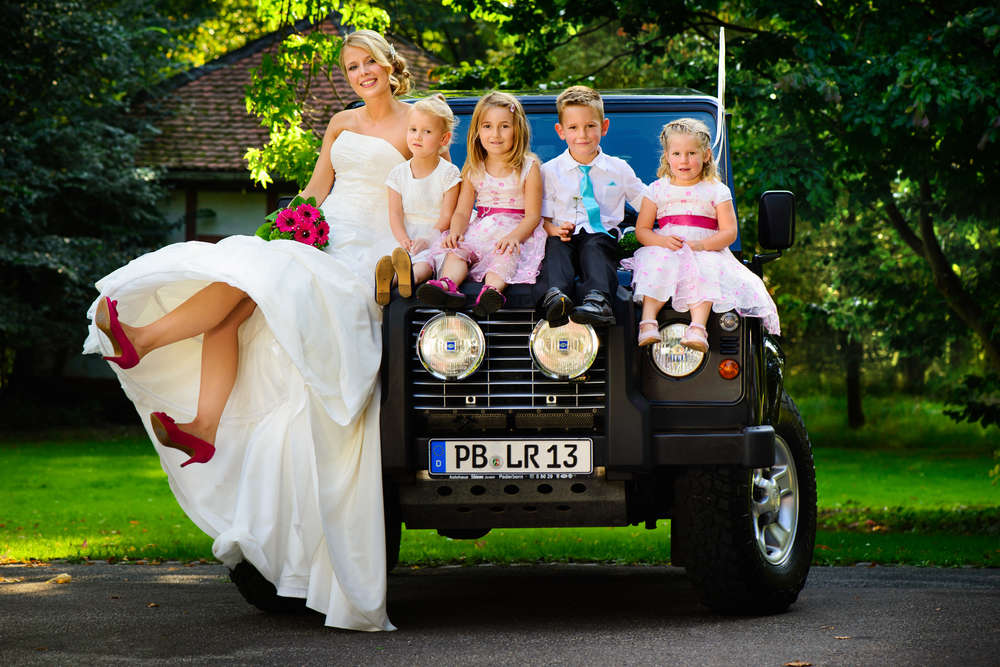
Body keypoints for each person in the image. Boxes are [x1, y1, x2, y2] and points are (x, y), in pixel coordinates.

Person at [82, 29, 414, 632]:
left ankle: (144, 343)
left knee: (254, 288)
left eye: (370, 62)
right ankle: (202, 424)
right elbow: (317, 190)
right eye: (351, 67)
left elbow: (429, 193)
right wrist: (290, 224)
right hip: (325, 237)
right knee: (242, 284)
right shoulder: (340, 123)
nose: (362, 73)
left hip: (373, 251)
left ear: (391, 65)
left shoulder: (419, 123)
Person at [627, 117, 780, 349]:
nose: (684, 160)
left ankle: (698, 328)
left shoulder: (717, 190)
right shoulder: (656, 190)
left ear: (706, 155)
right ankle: (648, 322)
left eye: (691, 153)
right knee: (657, 265)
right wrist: (662, 241)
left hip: (705, 249)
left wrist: (702, 245)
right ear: (667, 156)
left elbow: (729, 232)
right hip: (668, 247)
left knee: (707, 270)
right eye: (677, 153)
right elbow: (642, 231)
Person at [415, 91, 545, 317]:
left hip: (513, 232)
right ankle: (447, 285)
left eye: (504, 126)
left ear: (518, 129)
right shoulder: (474, 167)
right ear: (477, 131)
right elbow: (462, 211)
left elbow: (533, 215)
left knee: (505, 255)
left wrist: (514, 237)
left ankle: (491, 292)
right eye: (487, 126)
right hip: (481, 229)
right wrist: (455, 232)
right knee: (457, 251)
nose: (495, 134)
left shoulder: (529, 167)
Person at [533, 85, 646, 327]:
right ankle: (555, 297)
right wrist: (555, 230)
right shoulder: (548, 171)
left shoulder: (619, 169)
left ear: (604, 127)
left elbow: (646, 202)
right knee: (555, 248)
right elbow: (541, 218)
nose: (582, 135)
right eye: (573, 127)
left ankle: (598, 300)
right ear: (561, 131)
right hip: (563, 234)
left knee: (596, 246)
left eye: (590, 126)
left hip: (602, 235)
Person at [375, 94, 461, 305]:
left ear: (444, 139)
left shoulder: (449, 173)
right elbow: (395, 214)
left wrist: (429, 239)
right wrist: (403, 238)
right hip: (407, 234)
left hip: (437, 233)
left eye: (427, 131)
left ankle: (407, 279)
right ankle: (389, 281)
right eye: (413, 129)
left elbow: (447, 216)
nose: (418, 137)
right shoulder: (398, 174)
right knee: (403, 255)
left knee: (426, 261)